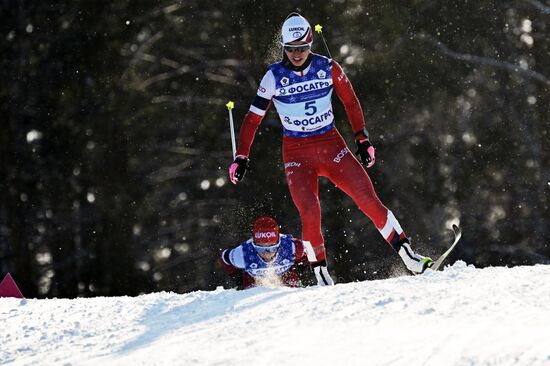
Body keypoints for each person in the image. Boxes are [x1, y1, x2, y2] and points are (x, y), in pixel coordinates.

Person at [228, 13, 433, 285]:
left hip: (331, 146)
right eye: (291, 49)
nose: (297, 54)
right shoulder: (273, 77)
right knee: (310, 212)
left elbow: (350, 102)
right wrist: (241, 157)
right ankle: (322, 275)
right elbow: (253, 120)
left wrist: (362, 139)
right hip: (297, 154)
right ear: (284, 48)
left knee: (367, 199)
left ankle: (408, 254)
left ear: (310, 43)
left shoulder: (329, 68)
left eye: (302, 48)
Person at [219, 216, 315, 289]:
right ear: (254, 245)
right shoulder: (243, 255)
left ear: (279, 244)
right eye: (260, 249)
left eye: (272, 248)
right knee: (251, 291)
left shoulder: (292, 247)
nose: (266, 253)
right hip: (253, 279)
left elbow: (310, 250)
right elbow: (223, 257)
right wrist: (236, 276)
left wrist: (301, 266)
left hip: (286, 275)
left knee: (292, 287)